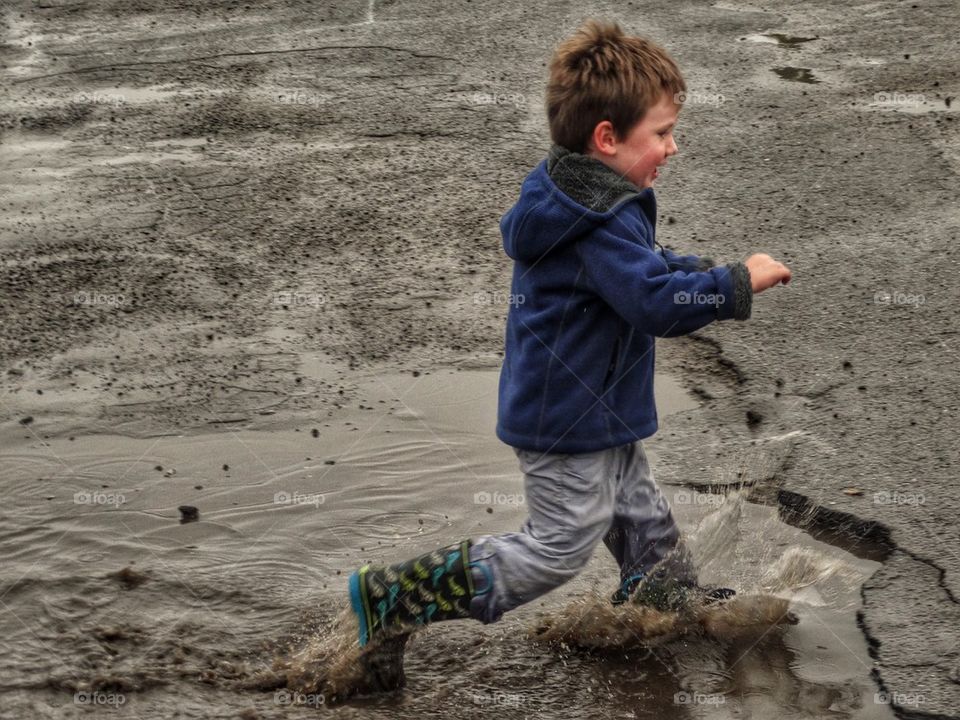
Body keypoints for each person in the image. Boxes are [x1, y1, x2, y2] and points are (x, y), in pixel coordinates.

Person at [347, 18, 791, 671]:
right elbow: (651, 304)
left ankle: (664, 598)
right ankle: (399, 595)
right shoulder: (600, 218)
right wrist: (731, 285)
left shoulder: (587, 193)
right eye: (661, 134)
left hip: (594, 406)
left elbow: (643, 269)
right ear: (606, 137)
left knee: (636, 505)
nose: (673, 147)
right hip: (565, 418)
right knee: (559, 545)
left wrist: (697, 268)